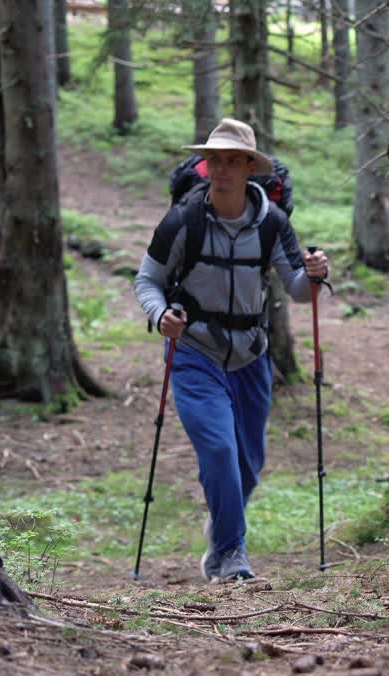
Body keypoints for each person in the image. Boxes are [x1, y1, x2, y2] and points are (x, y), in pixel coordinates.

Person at [134, 118, 330, 582]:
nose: (220, 169)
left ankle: (222, 529)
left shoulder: (272, 225)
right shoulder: (184, 220)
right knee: (220, 450)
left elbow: (298, 290)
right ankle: (231, 553)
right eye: (214, 160)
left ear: (249, 167)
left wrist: (316, 274)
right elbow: (148, 280)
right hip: (194, 353)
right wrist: (160, 316)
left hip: (251, 356)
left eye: (231, 161)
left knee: (248, 464)